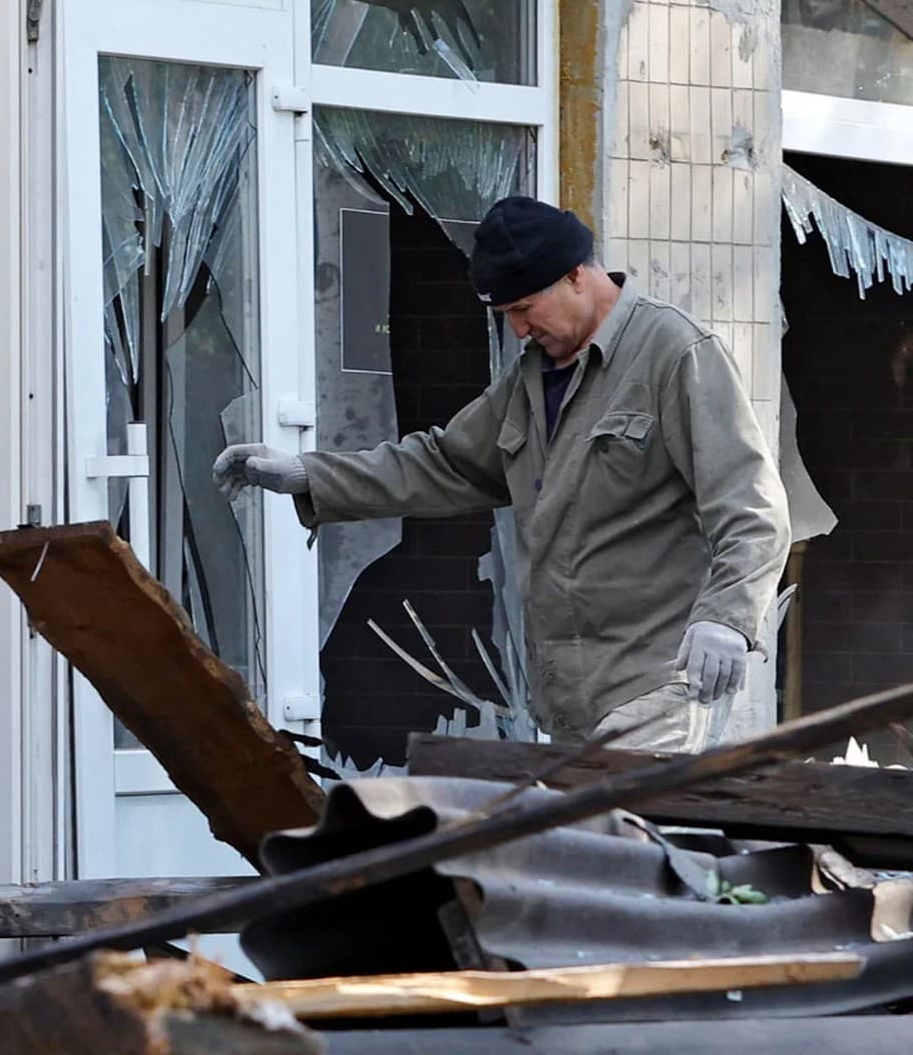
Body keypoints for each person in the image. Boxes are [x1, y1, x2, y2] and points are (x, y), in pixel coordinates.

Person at [215, 196, 789, 751]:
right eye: (504, 315)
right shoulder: (531, 380)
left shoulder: (675, 352)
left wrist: (728, 619)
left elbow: (752, 508)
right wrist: (308, 475)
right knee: (586, 847)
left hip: (654, 685)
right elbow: (443, 463)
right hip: (569, 698)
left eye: (522, 309)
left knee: (615, 840)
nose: (517, 331)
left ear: (575, 277)